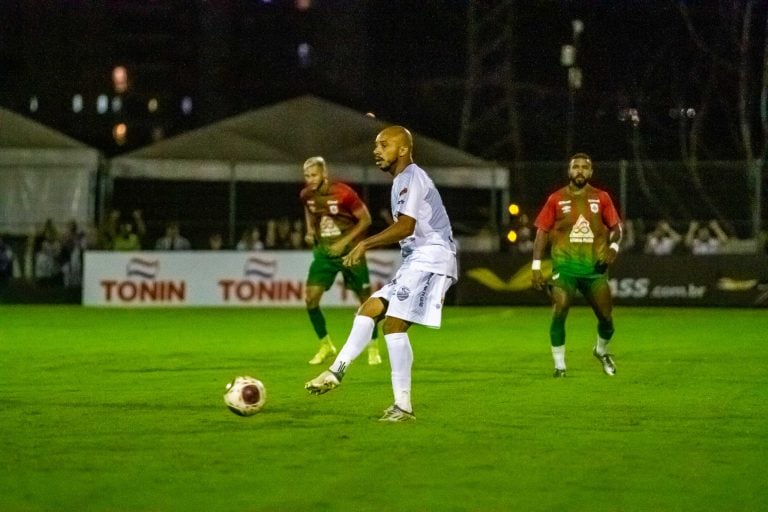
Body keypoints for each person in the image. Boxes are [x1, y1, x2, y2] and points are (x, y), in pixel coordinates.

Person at [305, 126, 458, 422]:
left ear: (402, 149)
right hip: (417, 260)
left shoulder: (411, 177)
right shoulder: (402, 180)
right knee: (368, 309)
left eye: (383, 145)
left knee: (393, 327)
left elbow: (406, 226)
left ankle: (403, 408)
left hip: (433, 258)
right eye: (376, 145)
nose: (376, 150)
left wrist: (364, 242)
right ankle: (337, 371)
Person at [531, 153, 622, 378]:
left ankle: (601, 350)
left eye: (584, 167)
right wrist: (535, 266)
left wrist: (613, 248)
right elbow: (542, 231)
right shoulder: (556, 199)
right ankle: (560, 366)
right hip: (565, 266)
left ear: (590, 173)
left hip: (594, 268)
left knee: (606, 318)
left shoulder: (602, 198)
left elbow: (617, 229)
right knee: (560, 307)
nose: (580, 171)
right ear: (569, 171)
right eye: (576, 167)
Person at [299, 156, 381, 367]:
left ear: (324, 173)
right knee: (310, 300)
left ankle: (373, 346)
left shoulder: (344, 193)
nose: (310, 179)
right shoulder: (307, 194)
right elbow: (309, 210)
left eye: (314, 174)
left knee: (366, 301)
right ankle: (325, 345)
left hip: (350, 254)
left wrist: (344, 241)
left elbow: (366, 220)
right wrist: (309, 230)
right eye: (306, 175)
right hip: (325, 254)